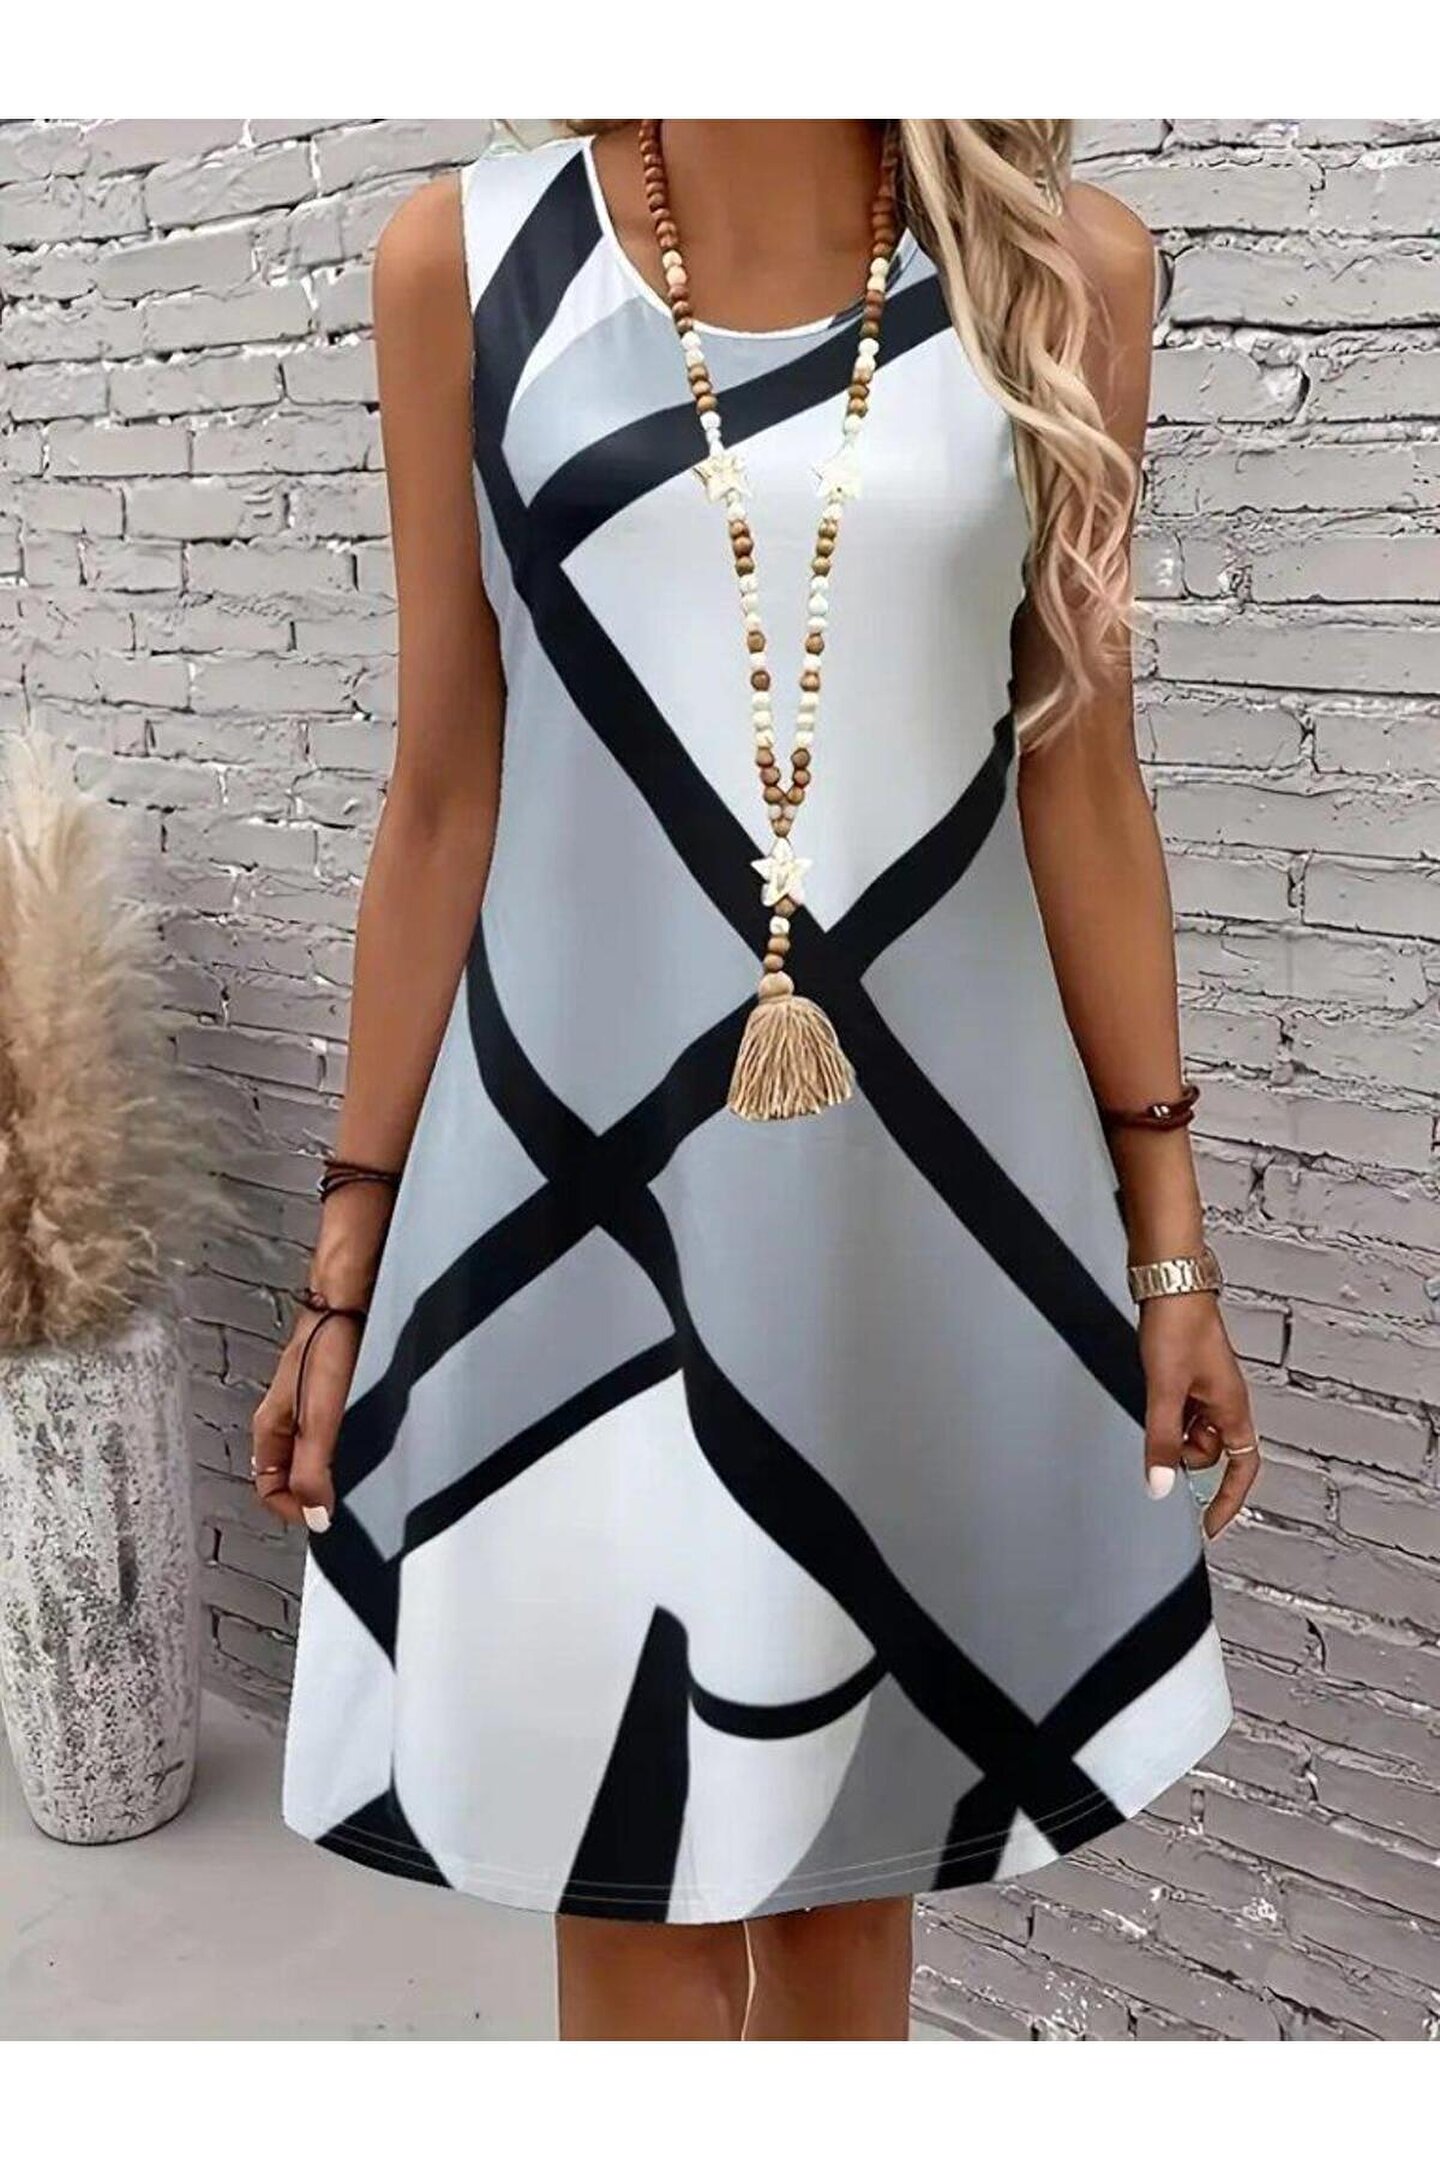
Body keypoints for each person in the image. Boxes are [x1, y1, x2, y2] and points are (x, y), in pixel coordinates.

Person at [255, 120, 1261, 2042]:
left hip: (911, 1214)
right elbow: (445, 787)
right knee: (622, 1865)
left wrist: (1170, 1252)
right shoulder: (464, 264)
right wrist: (345, 1260)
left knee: (849, 1875)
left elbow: (1082, 777)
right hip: (572, 1206)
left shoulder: (1067, 275)